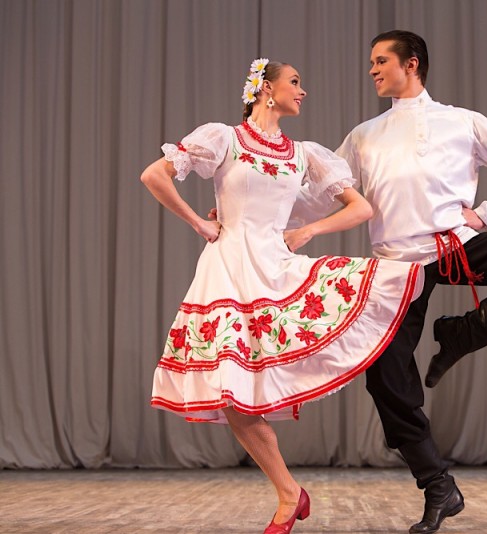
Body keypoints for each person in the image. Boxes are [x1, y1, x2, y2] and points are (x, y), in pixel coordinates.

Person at [141, 58, 423, 533]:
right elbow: (155, 175)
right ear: (266, 88)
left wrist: (309, 230)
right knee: (233, 393)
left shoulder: (303, 154)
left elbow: (360, 208)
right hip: (228, 271)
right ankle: (290, 492)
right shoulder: (223, 138)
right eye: (295, 82)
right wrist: (201, 223)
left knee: (250, 390)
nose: (303, 91)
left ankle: (291, 493)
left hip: (275, 268)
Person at [334, 30, 487, 533]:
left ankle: (464, 332)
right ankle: (439, 486)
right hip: (396, 267)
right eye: (372, 62)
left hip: (452, 249)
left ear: (413, 63)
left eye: (381, 61)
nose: (373, 69)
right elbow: (325, 191)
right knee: (385, 380)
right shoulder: (364, 134)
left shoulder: (460, 121)